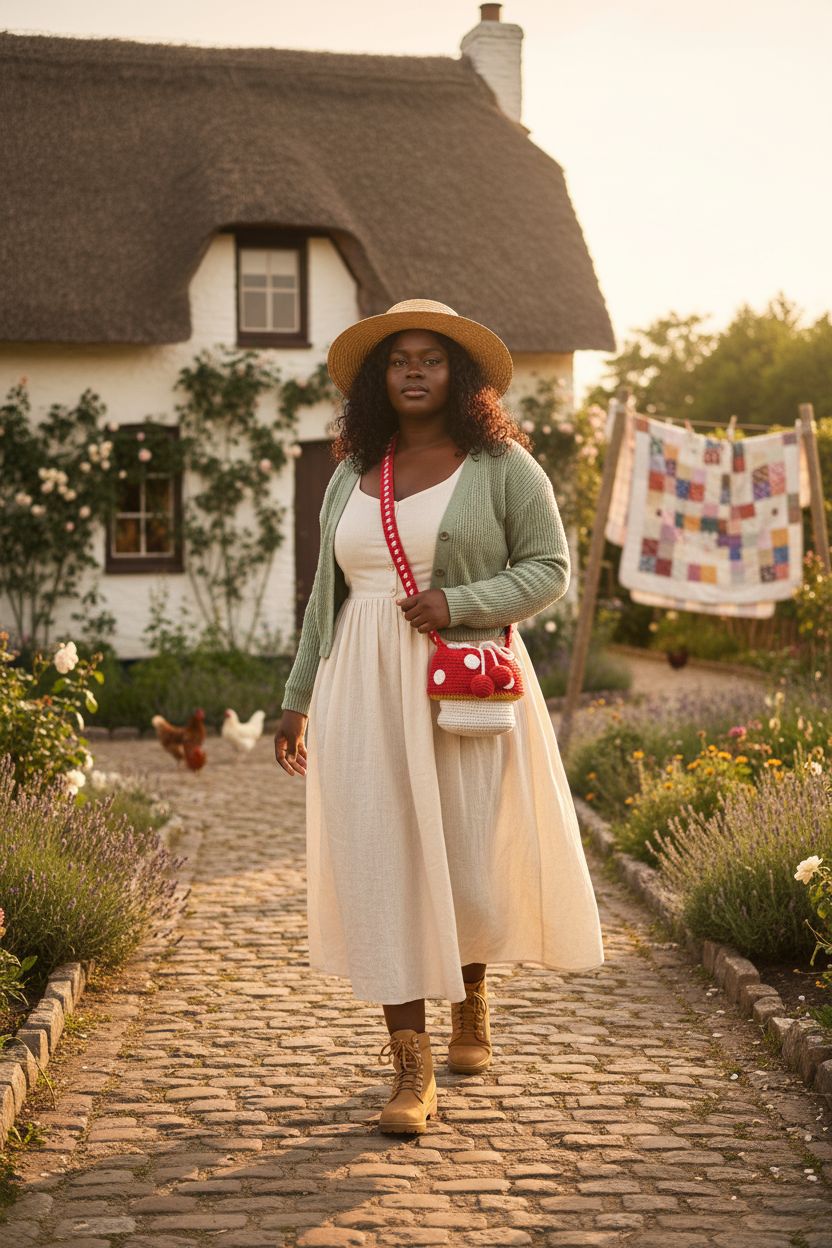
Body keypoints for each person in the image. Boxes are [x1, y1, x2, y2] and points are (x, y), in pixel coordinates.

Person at [274, 298, 604, 1134]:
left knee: (461, 860)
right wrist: (297, 698)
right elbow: (327, 594)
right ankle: (409, 1069)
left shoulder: (502, 466)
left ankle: (472, 995)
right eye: (399, 360)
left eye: (431, 358)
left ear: (458, 374)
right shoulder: (353, 472)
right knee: (382, 859)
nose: (415, 371)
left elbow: (550, 569)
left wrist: (461, 598)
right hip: (362, 680)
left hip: (463, 683)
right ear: (379, 379)